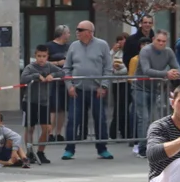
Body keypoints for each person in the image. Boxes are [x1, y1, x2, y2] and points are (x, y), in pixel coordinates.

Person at [62, 21, 113, 160]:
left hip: (96, 90)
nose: (77, 32)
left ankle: (102, 149)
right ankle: (69, 149)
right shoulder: (73, 46)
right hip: (77, 90)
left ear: (89, 32)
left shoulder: (102, 45)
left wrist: (103, 86)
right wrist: (69, 85)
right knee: (73, 119)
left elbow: (108, 68)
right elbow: (67, 68)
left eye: (80, 29)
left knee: (100, 119)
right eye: (77, 29)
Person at [135, 30, 180, 157]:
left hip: (155, 88)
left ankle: (152, 145)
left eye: (164, 41)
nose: (161, 43)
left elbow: (178, 67)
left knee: (153, 118)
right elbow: (146, 70)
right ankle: (142, 148)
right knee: (144, 118)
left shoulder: (168, 52)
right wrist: (166, 74)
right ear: (153, 39)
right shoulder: (145, 51)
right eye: (158, 40)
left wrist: (175, 73)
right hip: (140, 88)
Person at [20, 44, 64, 164]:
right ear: (35, 56)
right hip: (30, 101)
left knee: (47, 128)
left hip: (44, 102)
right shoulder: (30, 67)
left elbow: (62, 72)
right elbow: (23, 78)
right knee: (30, 128)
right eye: (39, 56)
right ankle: (29, 152)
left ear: (47, 56)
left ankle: (40, 152)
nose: (41, 59)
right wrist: (36, 76)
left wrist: (52, 75)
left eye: (44, 56)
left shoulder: (49, 66)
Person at [46, 25, 71, 141]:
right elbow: (43, 62)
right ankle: (50, 133)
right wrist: (57, 63)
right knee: (54, 108)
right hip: (53, 81)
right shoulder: (49, 46)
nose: (69, 35)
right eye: (68, 33)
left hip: (64, 80)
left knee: (62, 108)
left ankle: (59, 133)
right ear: (62, 34)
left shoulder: (69, 47)